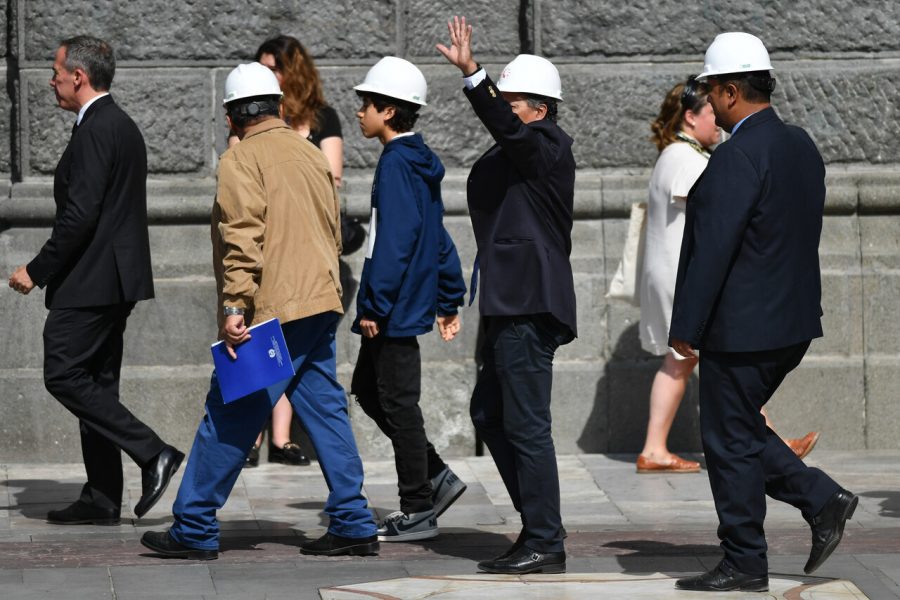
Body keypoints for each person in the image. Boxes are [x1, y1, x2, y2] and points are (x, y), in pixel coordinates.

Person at [140, 62, 378, 560]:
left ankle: (194, 526)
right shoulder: (310, 153)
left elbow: (242, 237)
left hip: (271, 310)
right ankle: (355, 522)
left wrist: (234, 304)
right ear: (276, 107)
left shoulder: (241, 160)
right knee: (325, 409)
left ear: (231, 116)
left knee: (229, 413)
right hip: (318, 300)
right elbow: (333, 228)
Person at [669, 32, 857, 592]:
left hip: (743, 327)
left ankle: (745, 560)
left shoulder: (738, 155)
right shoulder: (800, 144)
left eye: (710, 92)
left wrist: (686, 328)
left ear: (730, 91)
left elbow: (712, 250)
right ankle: (823, 500)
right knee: (740, 431)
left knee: (727, 442)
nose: (708, 103)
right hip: (790, 321)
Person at [6, 35, 183, 525]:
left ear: (79, 77)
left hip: (91, 281)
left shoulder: (97, 129)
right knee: (97, 386)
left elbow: (80, 217)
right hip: (112, 281)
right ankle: (103, 497)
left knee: (62, 373)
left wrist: (35, 271)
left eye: (57, 73)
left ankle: (153, 453)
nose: (52, 81)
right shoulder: (118, 125)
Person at [437, 17, 575, 575]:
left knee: (525, 424)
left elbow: (508, 132)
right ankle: (540, 525)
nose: (504, 109)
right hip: (505, 302)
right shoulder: (523, 149)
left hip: (527, 303)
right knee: (490, 413)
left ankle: (545, 538)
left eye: (512, 101)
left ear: (538, 109)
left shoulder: (544, 145)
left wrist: (475, 75)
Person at [637, 79, 820, 473]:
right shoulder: (688, 158)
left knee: (705, 374)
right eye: (708, 112)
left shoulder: (686, 154)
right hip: (688, 278)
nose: (716, 122)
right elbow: (719, 221)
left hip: (684, 276)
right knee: (705, 371)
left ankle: (758, 436)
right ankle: (764, 441)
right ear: (690, 116)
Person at [350, 56, 468, 542]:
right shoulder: (415, 160)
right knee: (373, 390)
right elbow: (435, 237)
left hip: (392, 307)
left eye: (367, 104)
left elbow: (393, 242)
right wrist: (448, 298)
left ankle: (417, 506)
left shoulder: (398, 163)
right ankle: (434, 476)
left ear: (390, 112)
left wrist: (373, 305)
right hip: (404, 302)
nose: (360, 112)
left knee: (397, 404)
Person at [235, 35, 347, 468]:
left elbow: (331, 182)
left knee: (271, 364)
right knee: (310, 381)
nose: (268, 75)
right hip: (270, 262)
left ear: (292, 72)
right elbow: (242, 197)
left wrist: (232, 303)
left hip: (306, 265)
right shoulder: (244, 134)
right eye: (261, 67)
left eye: (275, 67)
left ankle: (269, 438)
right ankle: (352, 516)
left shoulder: (321, 120)